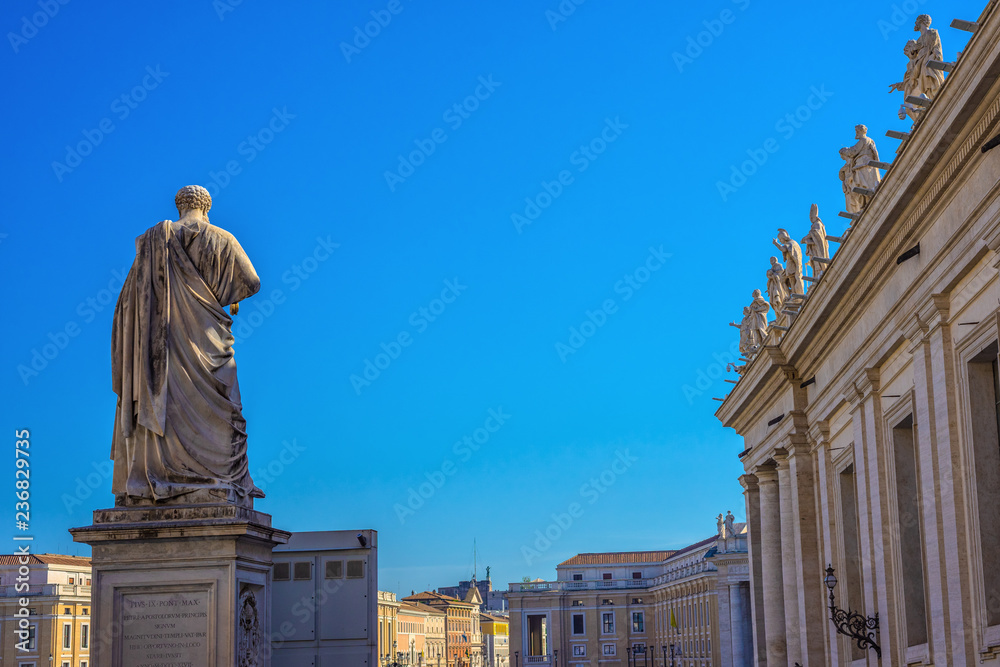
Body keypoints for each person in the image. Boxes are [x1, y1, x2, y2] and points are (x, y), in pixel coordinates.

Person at [111, 185, 264, 506]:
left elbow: (127, 303)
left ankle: (161, 475)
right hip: (208, 342)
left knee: (165, 404)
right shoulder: (221, 238)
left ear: (179, 206)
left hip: (160, 350)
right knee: (224, 407)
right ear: (207, 208)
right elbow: (251, 282)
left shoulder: (152, 244)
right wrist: (221, 295)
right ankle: (219, 478)